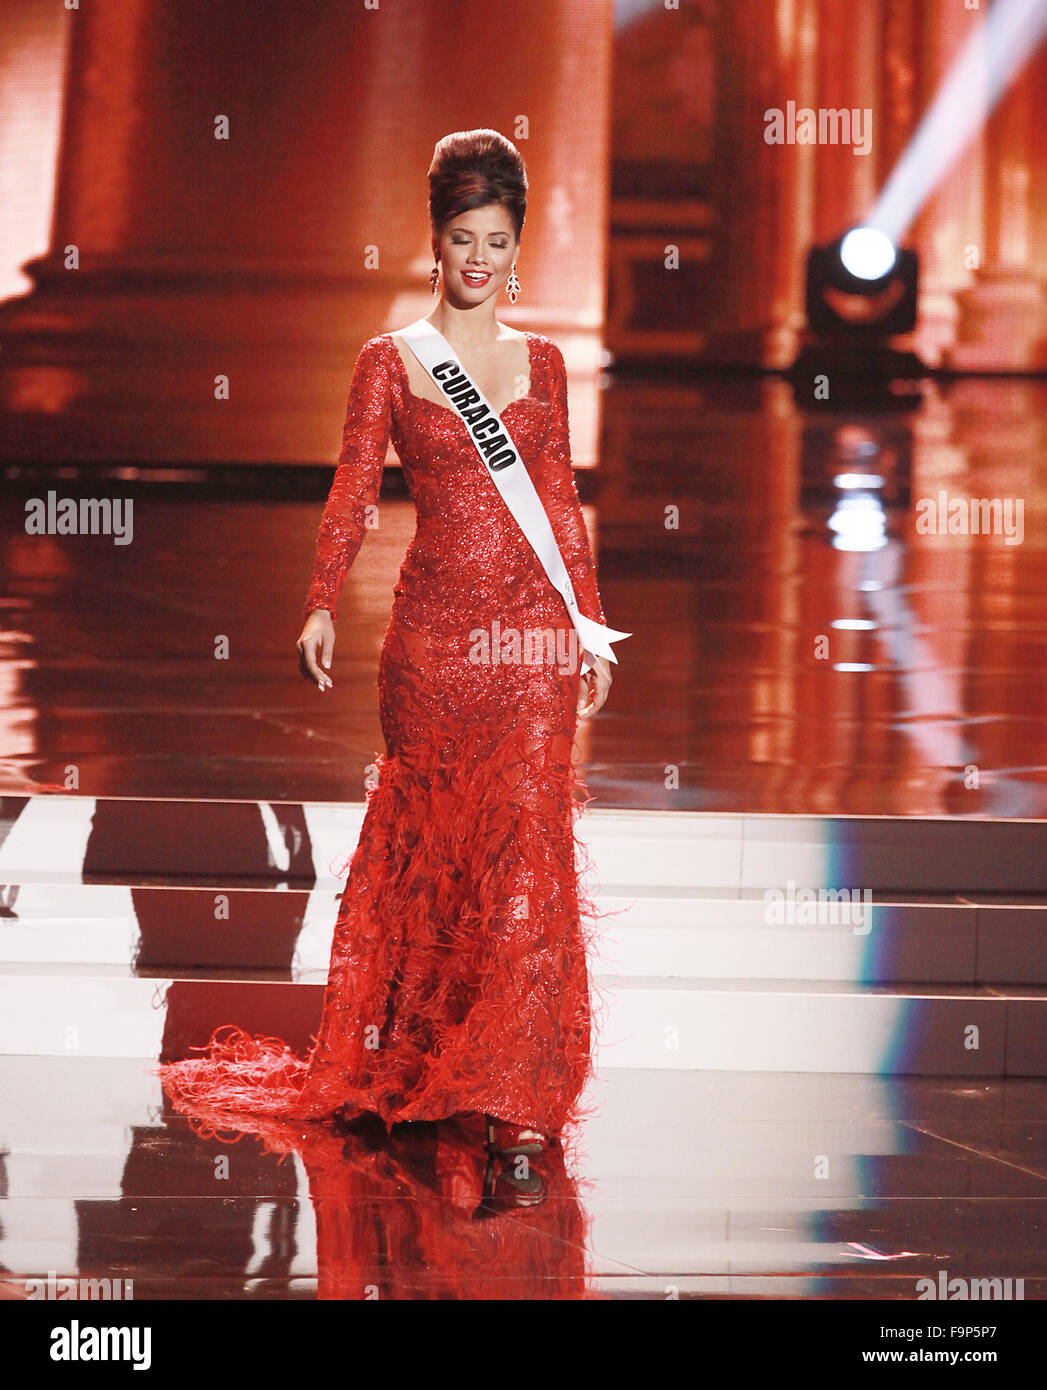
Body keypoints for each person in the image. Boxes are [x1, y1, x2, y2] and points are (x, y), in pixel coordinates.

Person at [158, 127, 623, 1162]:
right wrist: (321, 598)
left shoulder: (543, 365)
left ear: (517, 247)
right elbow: (353, 489)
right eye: (463, 238)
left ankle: (511, 1088)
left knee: (521, 846)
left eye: (496, 241)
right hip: (431, 640)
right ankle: (416, 1057)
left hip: (531, 641)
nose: (478, 260)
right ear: (436, 242)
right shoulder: (391, 361)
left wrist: (588, 627)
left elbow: (560, 501)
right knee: (434, 841)